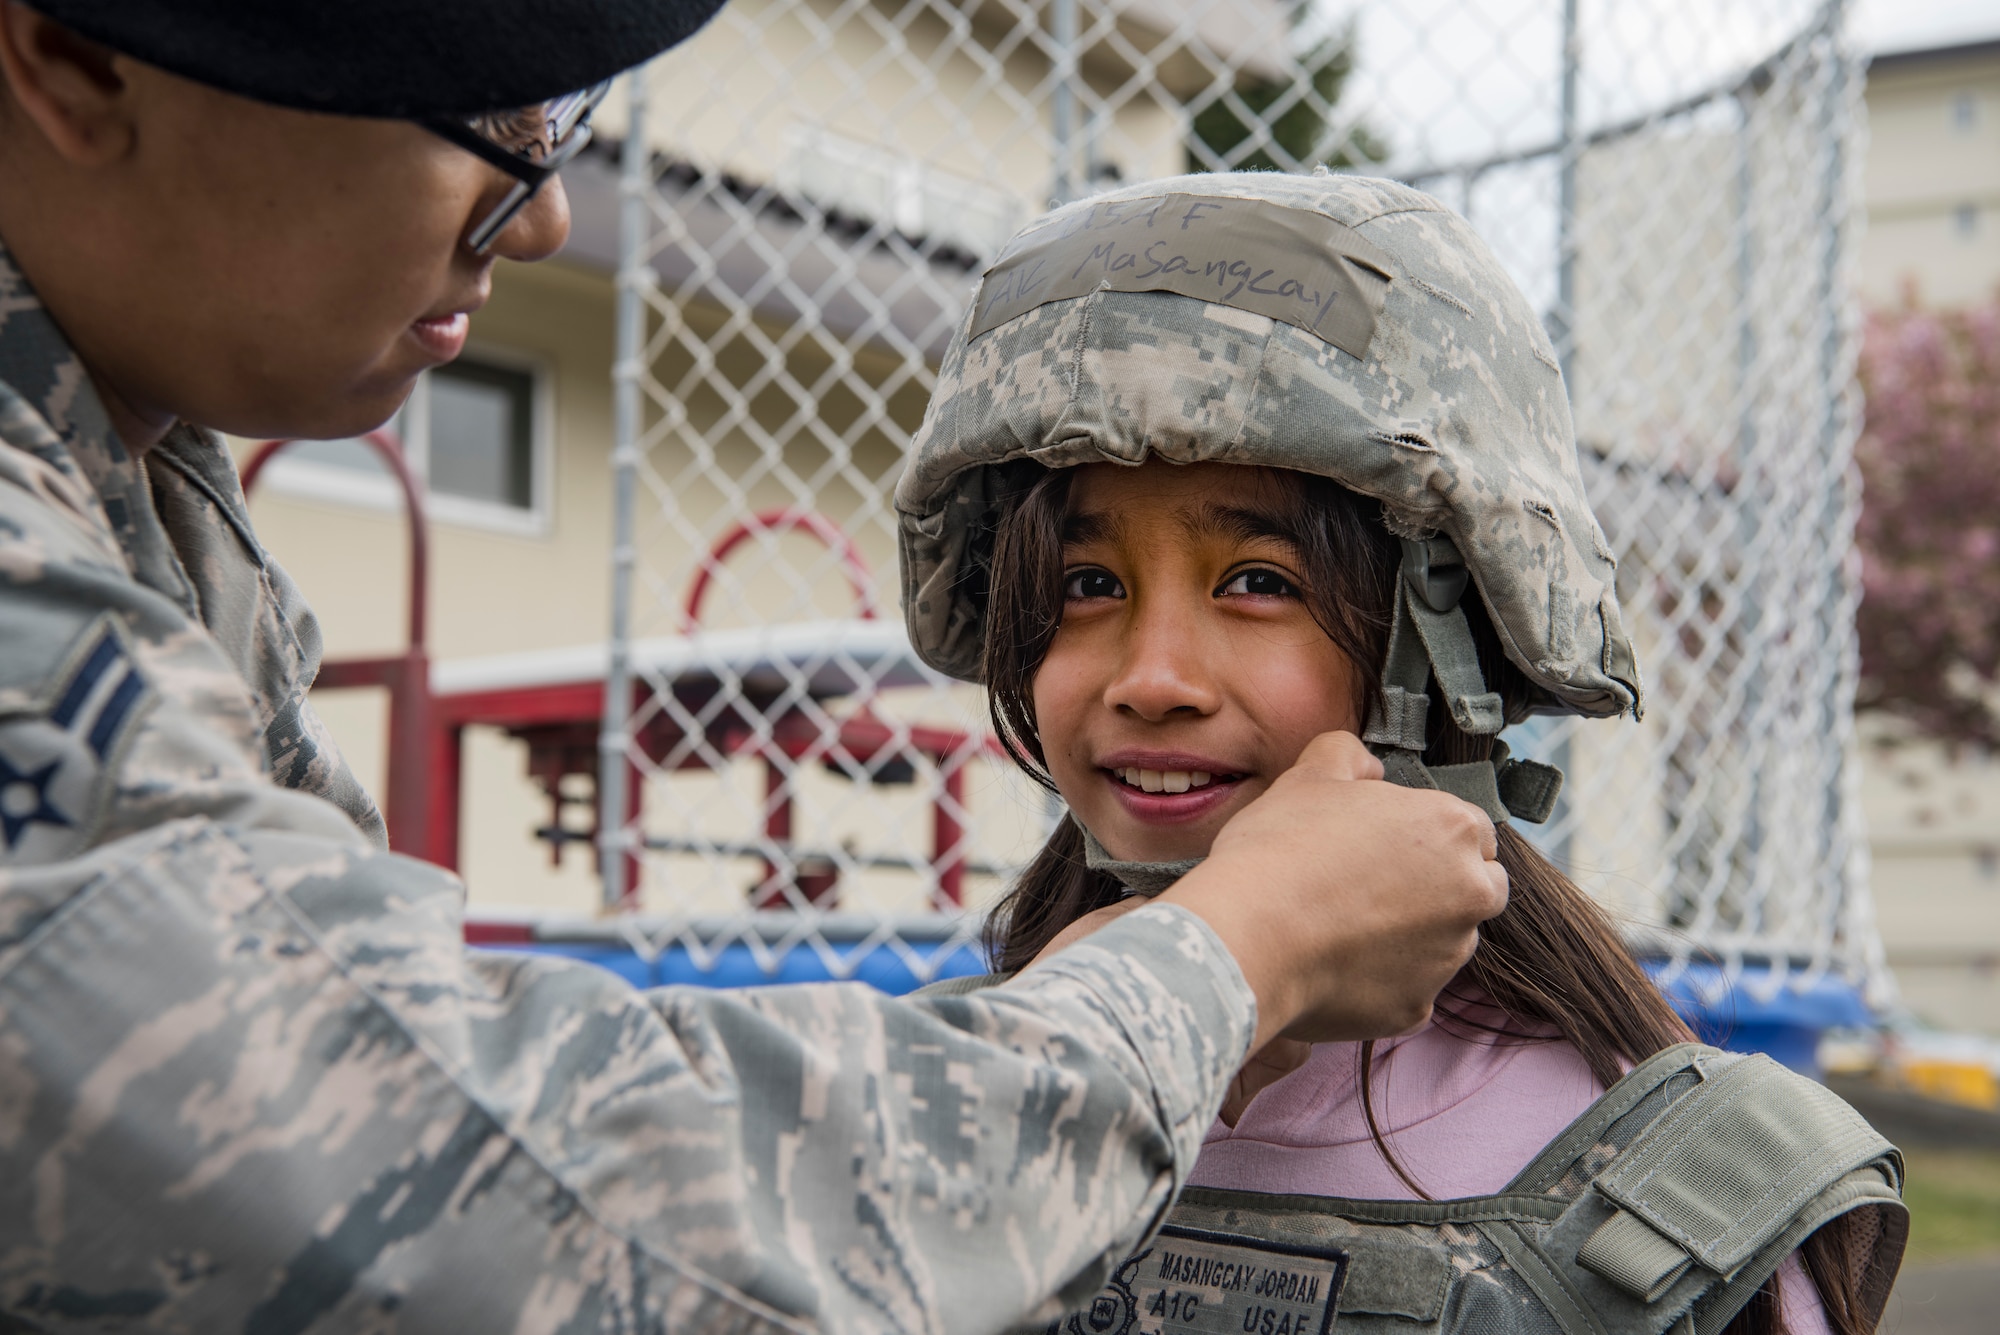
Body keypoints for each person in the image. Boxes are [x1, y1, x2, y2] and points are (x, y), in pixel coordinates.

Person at [0, 6, 1513, 1332]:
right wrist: (1241, 950)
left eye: (1259, 579)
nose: (535, 215)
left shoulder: (140, 496)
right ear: (71, 56)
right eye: (491, 119)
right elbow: (479, 1209)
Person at [896, 171, 1907, 1335]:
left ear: (1449, 640)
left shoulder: (1681, 1192)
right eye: (1085, 586)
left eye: (1257, 583)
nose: (1149, 679)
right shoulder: (938, 1101)